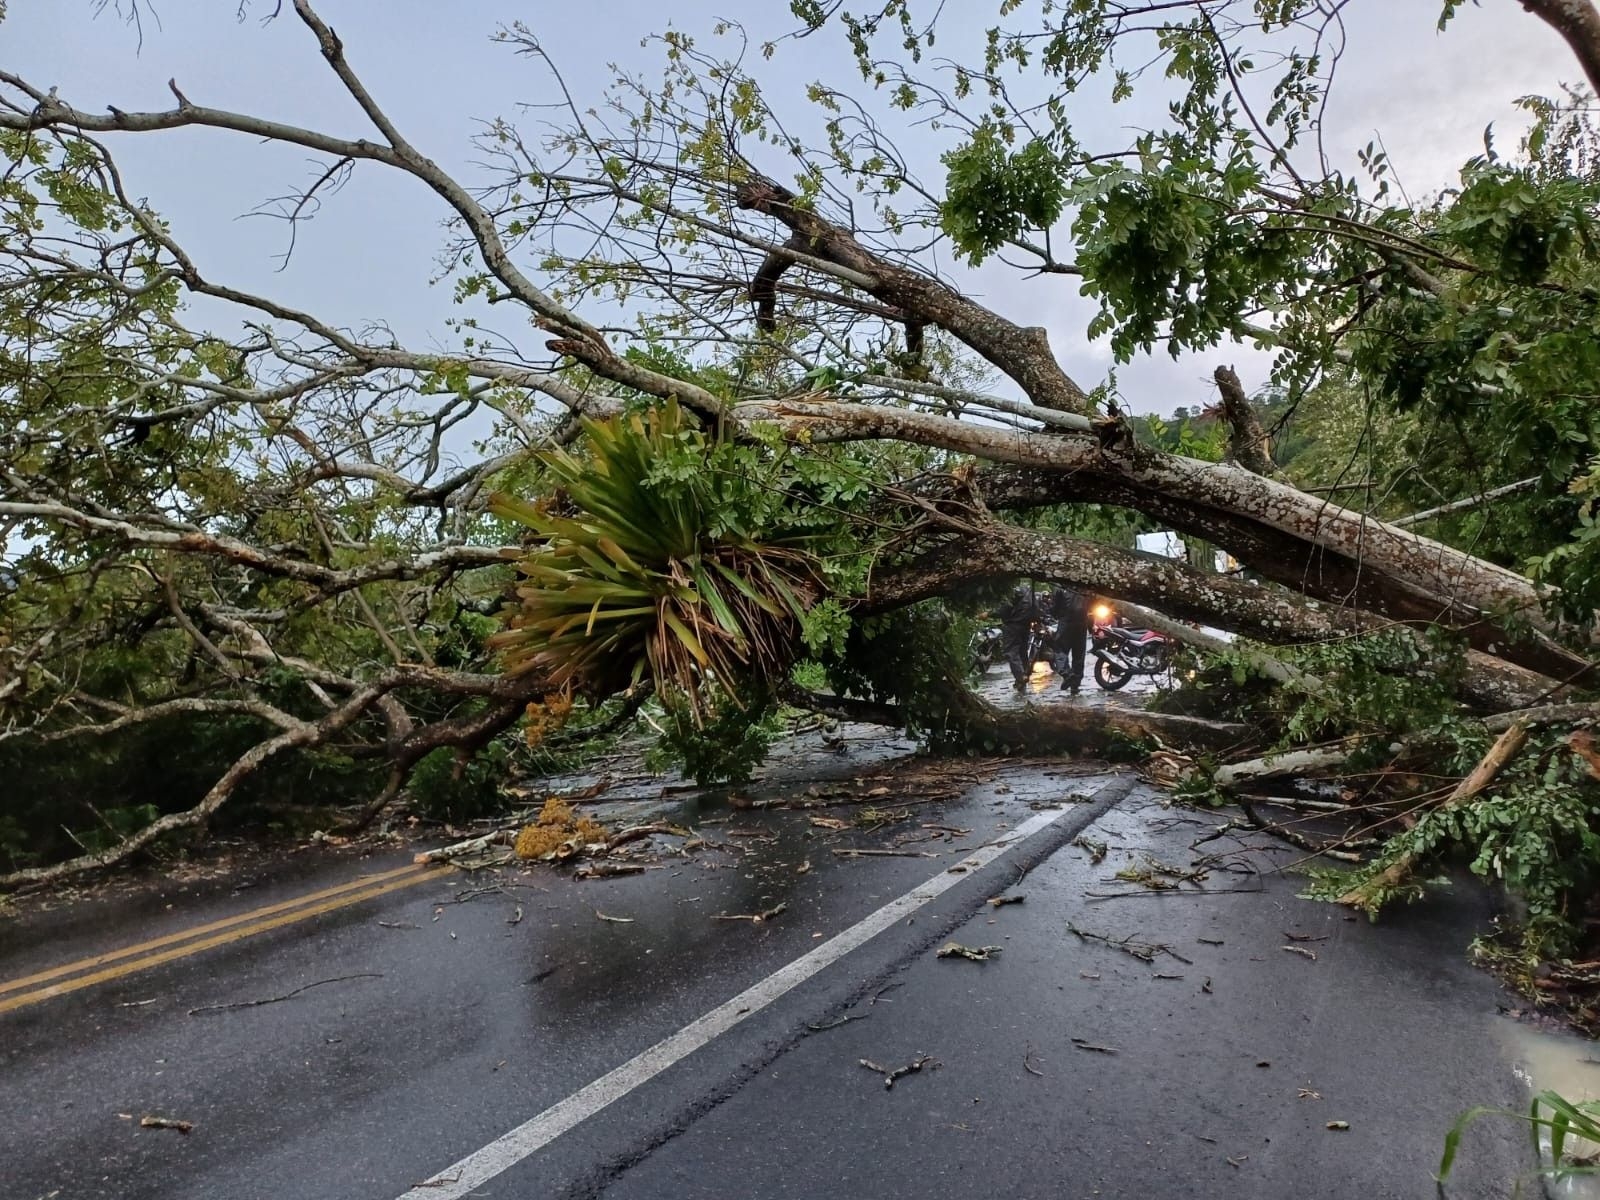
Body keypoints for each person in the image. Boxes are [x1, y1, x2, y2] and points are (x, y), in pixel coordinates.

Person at [1047, 585, 1093, 694]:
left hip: (1066, 623)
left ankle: (1067, 674)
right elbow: (1091, 608)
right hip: (1082, 625)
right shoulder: (1085, 589)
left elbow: (1055, 608)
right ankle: (1075, 684)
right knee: (1079, 654)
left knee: (1059, 649)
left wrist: (1056, 615)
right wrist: (1090, 626)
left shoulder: (1060, 588)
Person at [997, 583, 1042, 692]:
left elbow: (1005, 609)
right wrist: (1037, 622)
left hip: (1013, 626)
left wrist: (989, 614)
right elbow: (1036, 608)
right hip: (1025, 626)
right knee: (1022, 653)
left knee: (1011, 652)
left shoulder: (1013, 591)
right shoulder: (1029, 591)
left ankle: (1020, 676)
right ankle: (1022, 680)